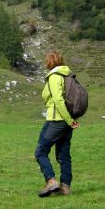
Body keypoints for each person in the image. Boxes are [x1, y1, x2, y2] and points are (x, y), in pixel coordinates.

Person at [34, 50, 79, 197]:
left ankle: (51, 181)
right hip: (66, 121)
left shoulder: (54, 76)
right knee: (63, 155)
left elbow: (59, 100)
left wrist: (68, 120)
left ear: (50, 62)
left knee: (40, 152)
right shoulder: (67, 74)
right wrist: (70, 121)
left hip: (56, 120)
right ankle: (65, 187)